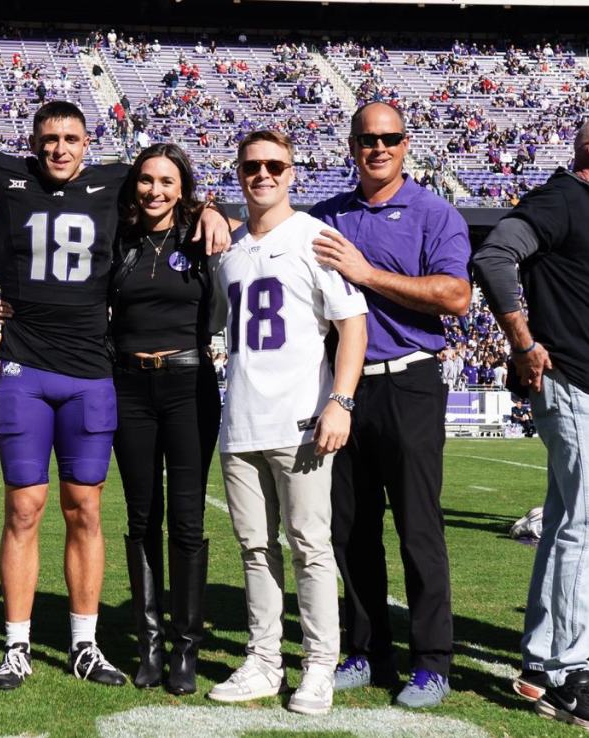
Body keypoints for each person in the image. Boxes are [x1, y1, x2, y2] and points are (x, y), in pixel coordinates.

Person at [0, 100, 230, 691]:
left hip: (91, 372)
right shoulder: (8, 175)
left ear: (89, 143)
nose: (60, 149)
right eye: (49, 139)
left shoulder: (116, 181)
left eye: (71, 138)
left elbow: (168, 188)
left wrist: (209, 209)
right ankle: (17, 645)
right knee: (23, 510)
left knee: (85, 511)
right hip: (24, 370)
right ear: (34, 143)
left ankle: (84, 644)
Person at [309, 101, 471, 708]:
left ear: (407, 144)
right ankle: (365, 650)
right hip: (342, 391)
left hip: (409, 381)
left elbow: (455, 295)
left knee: (418, 527)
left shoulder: (435, 213)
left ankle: (432, 661)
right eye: (367, 139)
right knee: (349, 531)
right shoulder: (325, 217)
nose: (378, 148)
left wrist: (367, 273)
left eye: (390, 138)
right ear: (351, 145)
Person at [206, 131, 367, 716]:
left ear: (293, 173)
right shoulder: (231, 249)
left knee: (310, 547)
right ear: (240, 173)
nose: (263, 174)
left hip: (302, 421)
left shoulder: (315, 236)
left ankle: (320, 666)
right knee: (254, 548)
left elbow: (352, 324)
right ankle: (264, 660)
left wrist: (340, 401)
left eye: (275, 164)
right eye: (252, 165)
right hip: (241, 421)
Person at [470, 121, 589, 725]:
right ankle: (570, 673)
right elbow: (492, 254)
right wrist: (521, 341)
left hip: (578, 382)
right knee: (582, 526)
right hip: (568, 379)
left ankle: (543, 664)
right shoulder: (563, 198)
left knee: (570, 518)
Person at [107, 144, 225, 695]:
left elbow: (253, 227)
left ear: (184, 188)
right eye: (147, 180)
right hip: (128, 386)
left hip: (188, 384)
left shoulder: (204, 234)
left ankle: (186, 649)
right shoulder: (118, 234)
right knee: (140, 518)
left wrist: (215, 211)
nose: (156, 190)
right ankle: (148, 646)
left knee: (187, 521)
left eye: (168, 182)